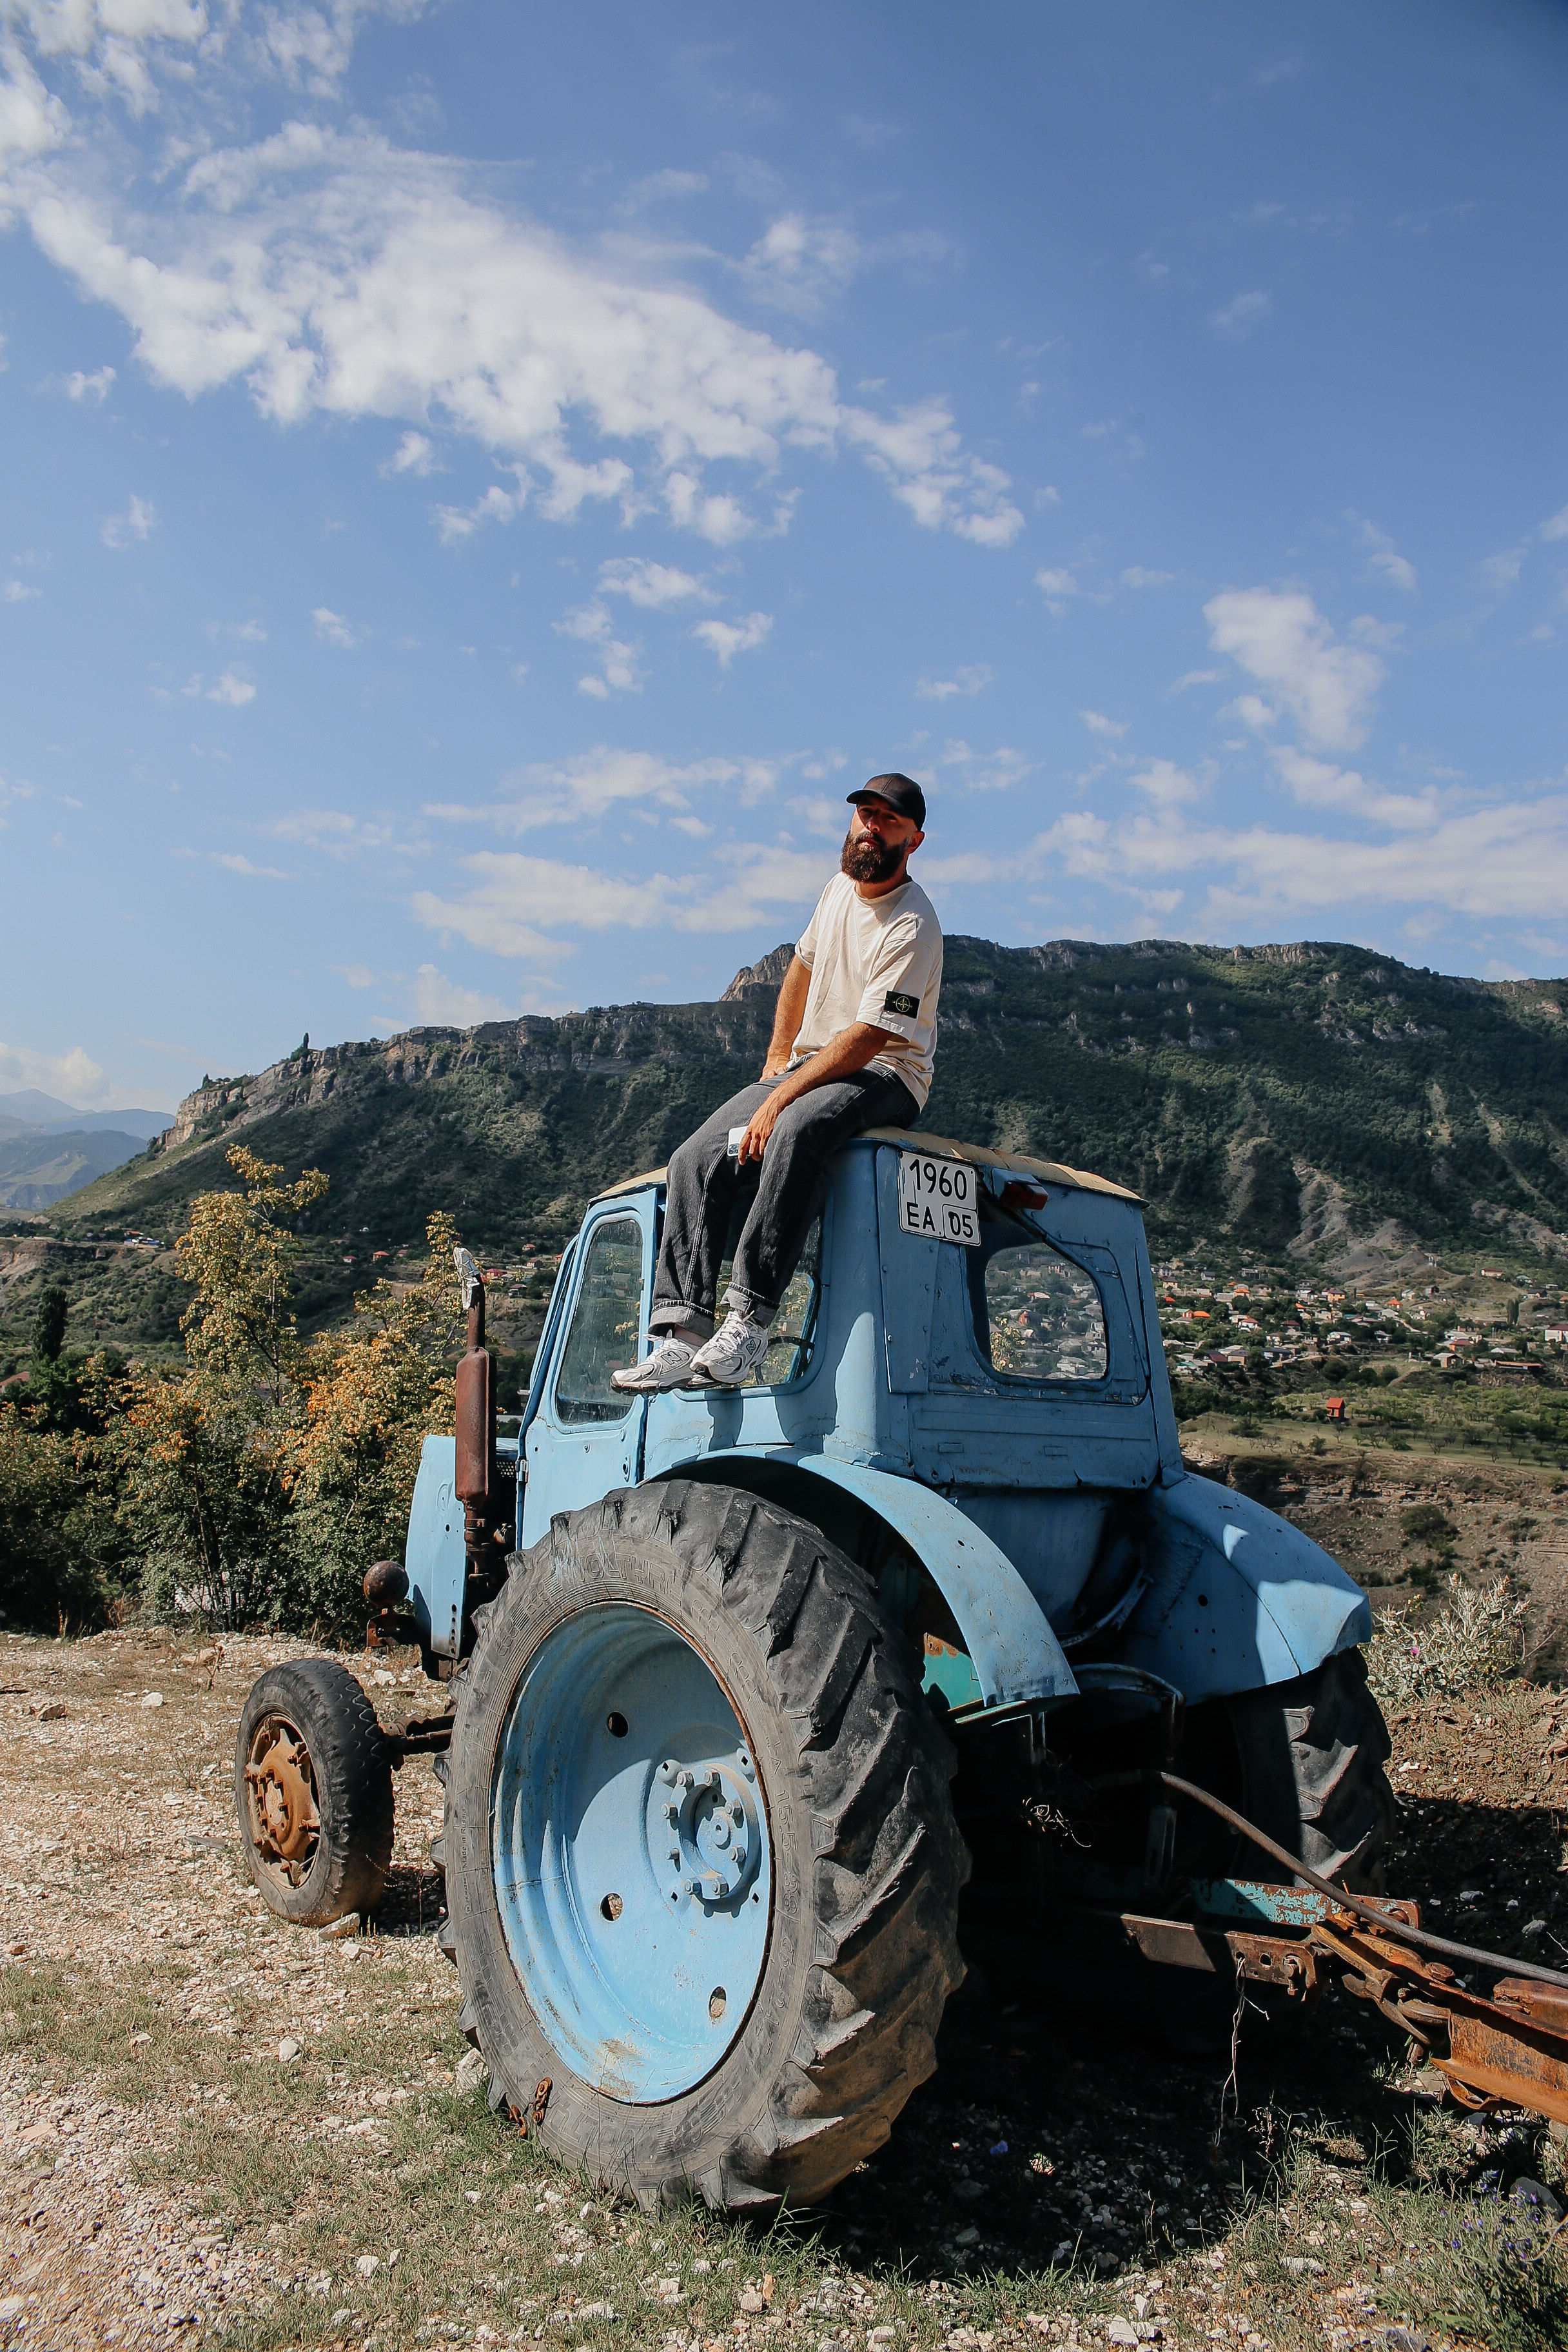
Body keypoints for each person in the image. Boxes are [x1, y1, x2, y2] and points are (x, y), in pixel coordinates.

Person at [612, 772, 942, 1391]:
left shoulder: (913, 924)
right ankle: (683, 1336)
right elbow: (802, 966)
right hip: (810, 1066)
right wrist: (776, 1059)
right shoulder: (837, 891)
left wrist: (781, 1097)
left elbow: (870, 1038)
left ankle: (747, 1325)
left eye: (889, 820)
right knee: (694, 1158)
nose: (871, 827)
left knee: (794, 1131)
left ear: (914, 840)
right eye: (865, 813)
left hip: (888, 1072)